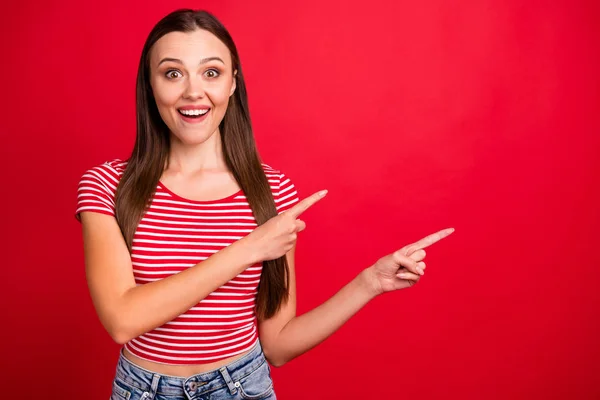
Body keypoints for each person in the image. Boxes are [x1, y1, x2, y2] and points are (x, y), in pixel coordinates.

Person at [75, 8, 454, 400]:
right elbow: (123, 320)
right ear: (150, 86)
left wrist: (369, 283)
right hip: (143, 390)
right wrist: (250, 248)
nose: (192, 91)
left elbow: (278, 344)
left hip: (241, 387)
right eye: (172, 73)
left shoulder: (271, 192)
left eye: (211, 72)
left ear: (233, 83)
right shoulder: (107, 186)